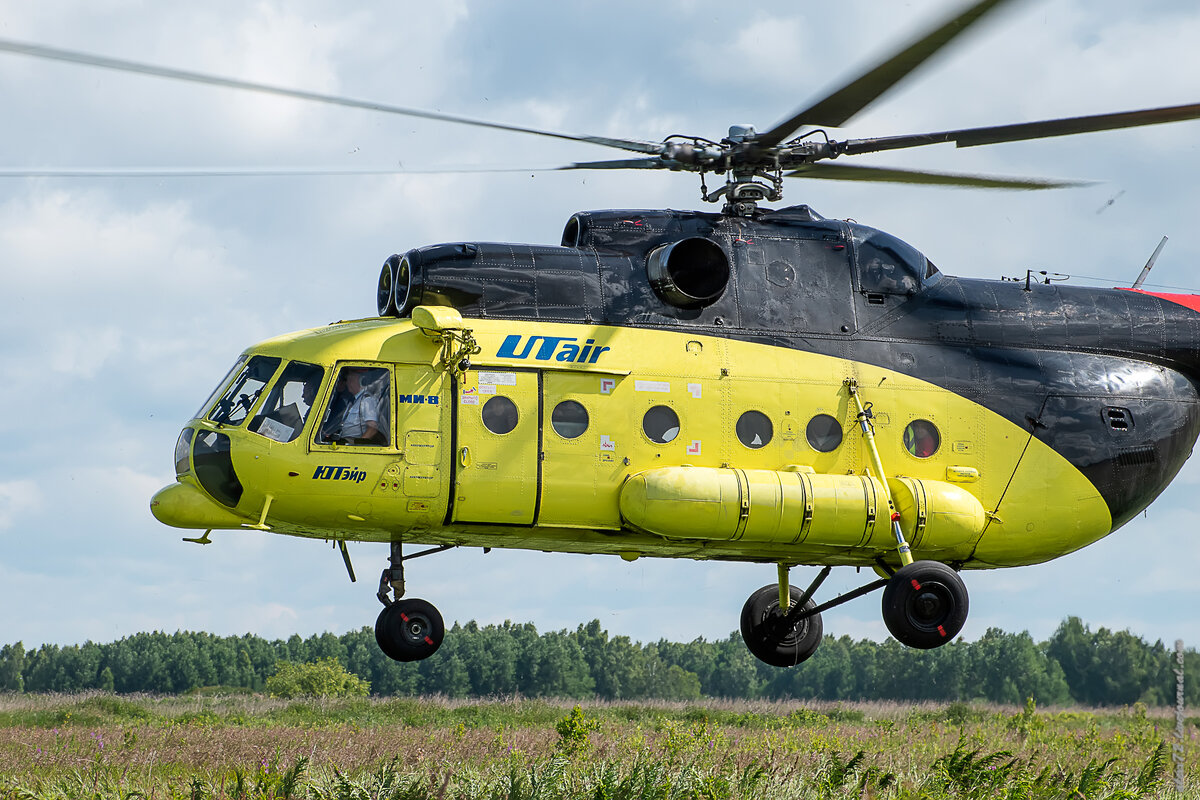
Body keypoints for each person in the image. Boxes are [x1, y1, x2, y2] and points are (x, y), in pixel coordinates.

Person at [329, 368, 382, 444]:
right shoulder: (353, 401)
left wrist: (358, 444)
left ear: (360, 381)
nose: (347, 383)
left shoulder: (367, 400)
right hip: (345, 440)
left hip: (354, 443)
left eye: (350, 380)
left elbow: (372, 428)